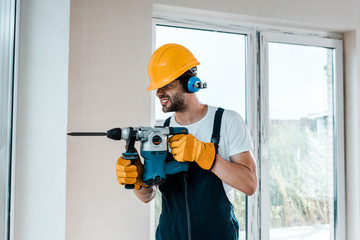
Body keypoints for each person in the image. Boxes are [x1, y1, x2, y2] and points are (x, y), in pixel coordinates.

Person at [116, 43, 257, 240]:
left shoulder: (227, 121)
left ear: (191, 83)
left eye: (166, 85)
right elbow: (147, 196)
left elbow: (249, 185)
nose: (158, 93)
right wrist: (139, 180)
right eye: (157, 87)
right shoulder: (160, 132)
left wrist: (205, 155)